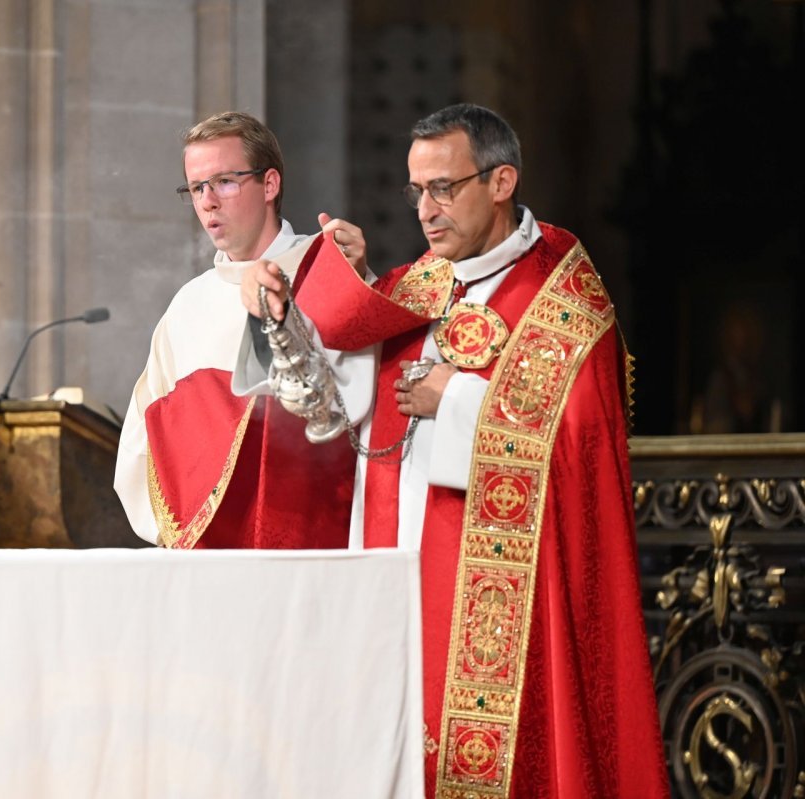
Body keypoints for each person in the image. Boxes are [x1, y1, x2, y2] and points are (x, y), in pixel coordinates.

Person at [244, 104, 669, 797]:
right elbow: (331, 412)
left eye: (444, 187)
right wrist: (296, 313)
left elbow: (581, 450)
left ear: (502, 182)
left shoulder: (564, 294)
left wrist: (460, 400)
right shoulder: (415, 285)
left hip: (506, 601)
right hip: (397, 582)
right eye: (416, 191)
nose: (426, 210)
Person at [113, 111, 361, 549]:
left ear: (269, 185)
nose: (208, 201)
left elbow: (362, 408)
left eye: (225, 181)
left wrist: (354, 287)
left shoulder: (328, 272)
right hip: (209, 553)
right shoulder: (188, 307)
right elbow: (141, 440)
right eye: (195, 188)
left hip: (314, 541)